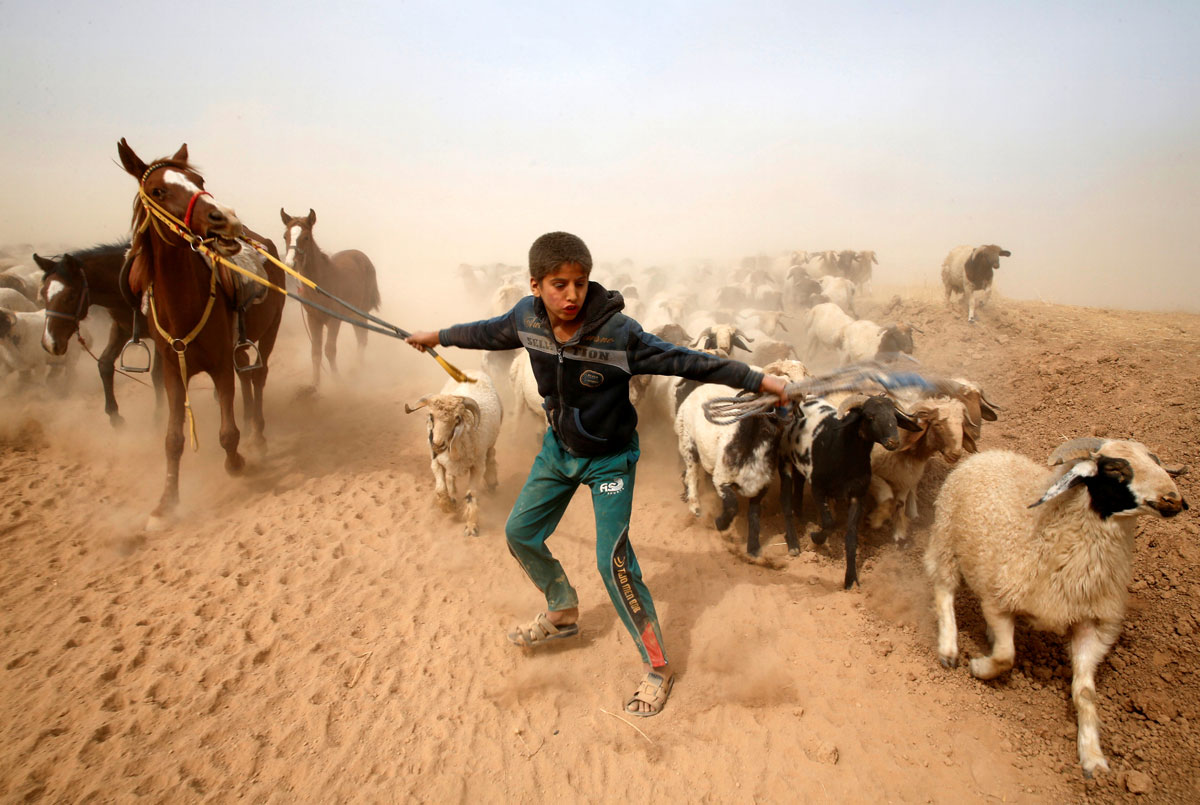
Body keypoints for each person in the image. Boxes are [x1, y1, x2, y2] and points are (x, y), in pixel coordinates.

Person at [406, 232, 788, 717]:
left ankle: (659, 668)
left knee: (614, 564)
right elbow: (485, 332)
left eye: (580, 284)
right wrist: (435, 336)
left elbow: (689, 360)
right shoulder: (526, 319)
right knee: (520, 533)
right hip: (558, 451)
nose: (570, 295)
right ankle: (562, 610)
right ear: (536, 285)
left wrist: (761, 380)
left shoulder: (619, 333)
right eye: (558, 285)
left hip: (610, 460)